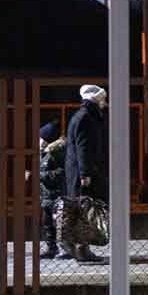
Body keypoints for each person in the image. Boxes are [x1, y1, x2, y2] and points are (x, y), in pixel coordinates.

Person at [63, 84, 108, 263]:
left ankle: (79, 248)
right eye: (102, 98)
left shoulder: (83, 116)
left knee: (83, 209)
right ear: (96, 99)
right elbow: (84, 148)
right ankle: (82, 249)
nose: (104, 102)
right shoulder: (86, 118)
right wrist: (85, 173)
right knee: (85, 209)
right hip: (84, 173)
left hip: (81, 171)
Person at [36, 122, 67, 259]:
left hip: (56, 196)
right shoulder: (43, 154)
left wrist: (41, 176)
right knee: (48, 224)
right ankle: (51, 248)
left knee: (59, 224)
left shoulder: (55, 153)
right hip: (46, 197)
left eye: (41, 138)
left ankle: (64, 249)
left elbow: (61, 172)